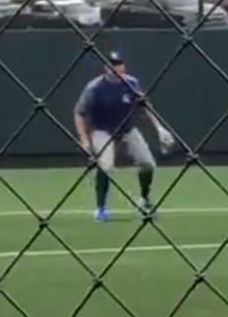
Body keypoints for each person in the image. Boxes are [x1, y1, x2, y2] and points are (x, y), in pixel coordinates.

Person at [73, 50, 174, 222]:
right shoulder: (94, 87)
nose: (116, 68)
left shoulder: (131, 83)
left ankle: (145, 199)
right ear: (106, 67)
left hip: (127, 129)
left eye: (119, 64)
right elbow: (79, 113)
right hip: (102, 130)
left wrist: (159, 128)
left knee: (148, 164)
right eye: (113, 65)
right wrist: (84, 139)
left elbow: (143, 105)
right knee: (105, 166)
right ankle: (101, 208)